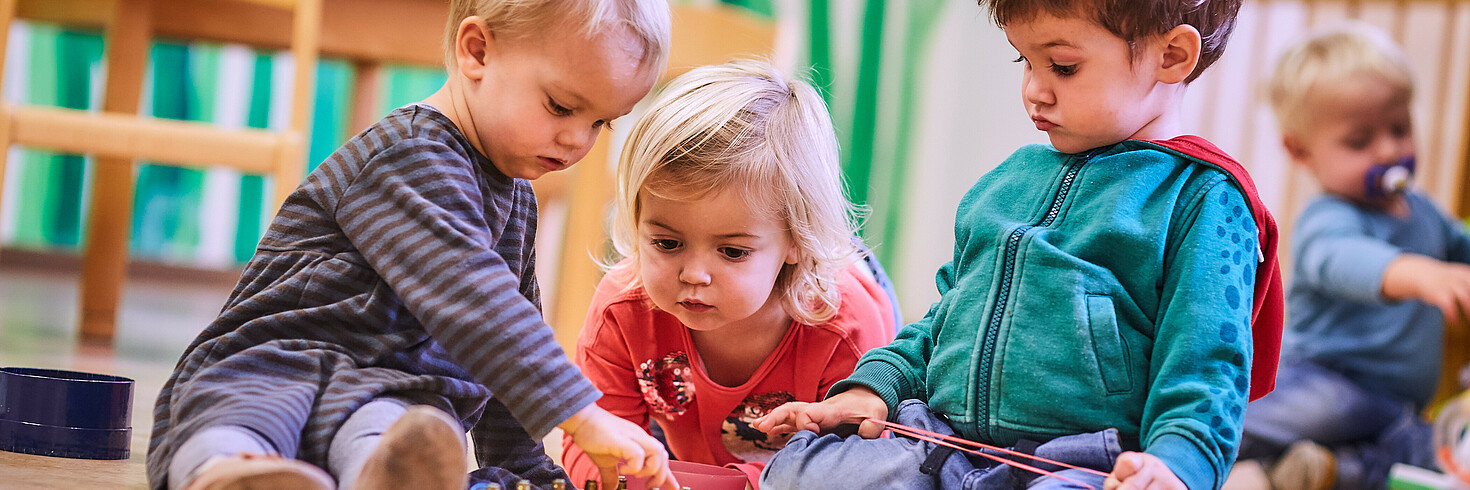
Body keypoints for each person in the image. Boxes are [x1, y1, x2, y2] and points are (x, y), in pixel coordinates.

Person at [144, 1, 681, 489]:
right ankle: (229, 474)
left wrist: (527, 468)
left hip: (390, 395)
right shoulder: (408, 156)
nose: (577, 141)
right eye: (562, 107)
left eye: (600, 123)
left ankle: (383, 480)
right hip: (276, 362)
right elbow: (478, 304)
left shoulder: (516, 198)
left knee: (400, 435)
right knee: (240, 417)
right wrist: (581, 415)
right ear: (477, 52)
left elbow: (510, 340)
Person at [753, 0, 1287, 488]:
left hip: (1080, 465)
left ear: (1171, 57)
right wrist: (873, 389)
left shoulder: (1204, 197)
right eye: (1024, 63)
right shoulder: (1006, 182)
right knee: (800, 470)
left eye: (1063, 66)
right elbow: (943, 321)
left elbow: (1208, 367)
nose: (1035, 89)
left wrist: (1177, 466)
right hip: (937, 444)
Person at [558, 59, 900, 489]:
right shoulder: (622, 309)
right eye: (667, 243)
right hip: (684, 433)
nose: (694, 274)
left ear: (795, 239)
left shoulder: (844, 326)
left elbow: (850, 467)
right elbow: (592, 441)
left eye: (732, 251)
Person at [1233, 24, 1459, 490]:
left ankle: (1311, 473)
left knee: (1418, 452)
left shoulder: (1425, 213)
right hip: (1326, 379)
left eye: (1400, 129)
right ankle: (1186, 449)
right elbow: (1342, 260)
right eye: (1360, 141)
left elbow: (1460, 247)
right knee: (1268, 416)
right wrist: (1415, 273)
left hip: (1395, 403)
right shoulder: (1326, 218)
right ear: (1301, 151)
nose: (1390, 150)